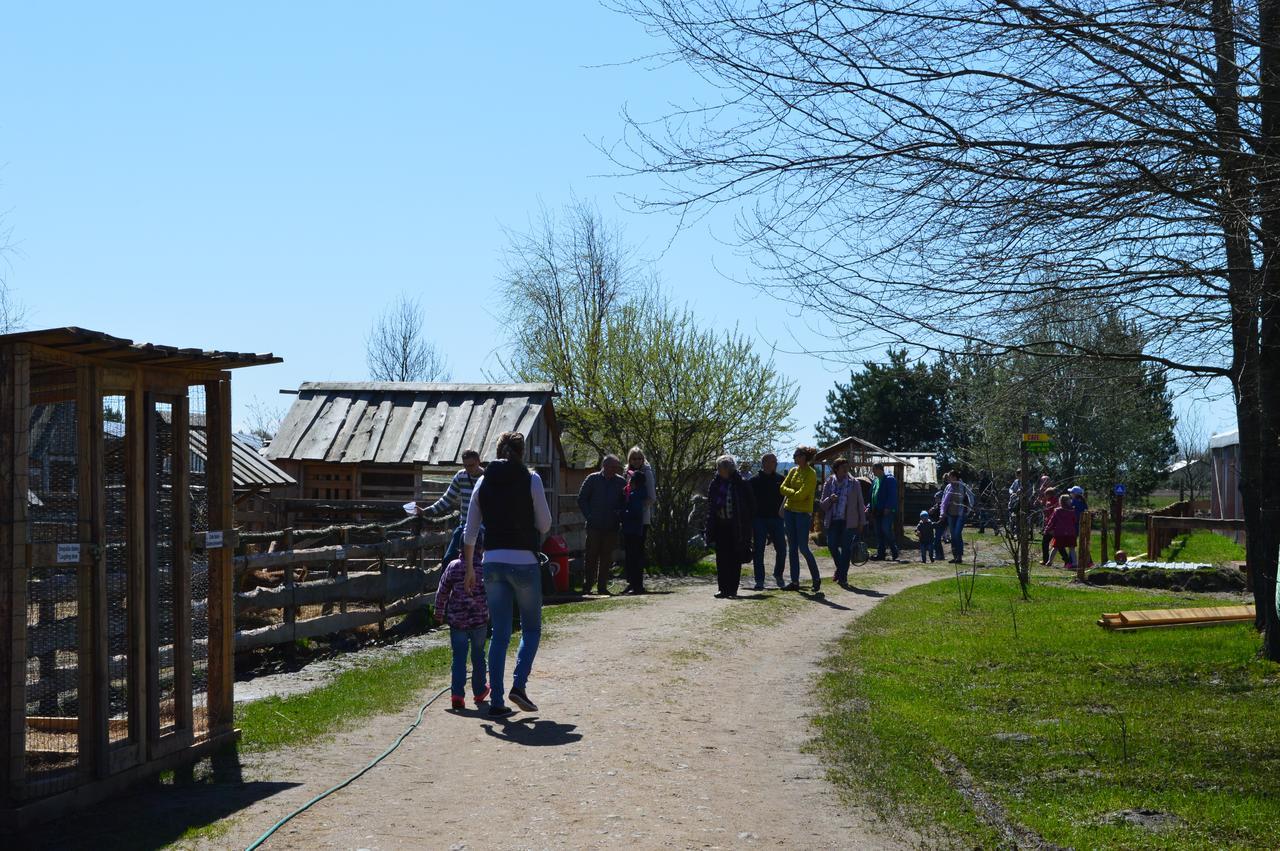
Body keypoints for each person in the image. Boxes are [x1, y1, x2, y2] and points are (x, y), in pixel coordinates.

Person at [462, 432, 552, 717]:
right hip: (524, 560)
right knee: (532, 628)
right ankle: (519, 685)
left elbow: (469, 531)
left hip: (492, 562)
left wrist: (468, 570)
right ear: (522, 452)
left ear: (497, 451)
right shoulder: (531, 479)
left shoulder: (482, 481)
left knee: (499, 633)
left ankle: (497, 701)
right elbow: (545, 523)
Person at [434, 540, 490, 711]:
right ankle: (479, 690)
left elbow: (442, 590)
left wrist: (438, 610)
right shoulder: (484, 568)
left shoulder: (453, 566)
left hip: (457, 620)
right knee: (478, 655)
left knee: (458, 657)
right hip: (479, 620)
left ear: (460, 548)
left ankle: (457, 695)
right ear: (481, 548)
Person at [417, 449, 483, 566]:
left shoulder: (487, 478)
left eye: (472, 465)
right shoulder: (461, 476)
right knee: (449, 559)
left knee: (480, 561)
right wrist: (427, 511)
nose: (469, 469)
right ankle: (446, 583)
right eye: (466, 466)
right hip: (465, 525)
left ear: (479, 462)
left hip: (483, 526)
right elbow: (447, 499)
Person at [704, 455, 756, 598]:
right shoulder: (715, 484)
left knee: (734, 558)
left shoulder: (742, 484)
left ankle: (732, 589)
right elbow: (711, 506)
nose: (718, 470)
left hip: (737, 526)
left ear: (729, 469)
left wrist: (748, 526)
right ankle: (722, 588)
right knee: (721, 558)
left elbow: (750, 506)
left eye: (721, 467)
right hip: (720, 525)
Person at [576, 455, 626, 594]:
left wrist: (619, 514)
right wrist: (589, 516)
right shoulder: (593, 479)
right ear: (604, 466)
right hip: (594, 526)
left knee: (606, 557)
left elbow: (624, 501)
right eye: (612, 467)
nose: (614, 470)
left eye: (616, 467)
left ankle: (602, 587)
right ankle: (588, 586)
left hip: (611, 526)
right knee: (591, 556)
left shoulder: (620, 482)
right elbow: (582, 499)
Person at [779, 446, 822, 592]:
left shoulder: (811, 474)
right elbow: (782, 488)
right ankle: (794, 581)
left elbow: (802, 495)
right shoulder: (793, 471)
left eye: (796, 455)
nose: (794, 458)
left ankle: (816, 578)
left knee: (803, 547)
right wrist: (793, 492)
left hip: (803, 514)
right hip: (789, 512)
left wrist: (792, 494)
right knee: (792, 548)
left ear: (804, 456)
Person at [820, 458, 866, 585]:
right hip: (833, 520)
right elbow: (822, 505)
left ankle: (843, 576)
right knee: (832, 545)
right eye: (843, 467)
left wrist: (862, 522)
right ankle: (840, 570)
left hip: (849, 521)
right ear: (836, 469)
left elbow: (860, 503)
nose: (846, 470)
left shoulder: (854, 483)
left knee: (846, 549)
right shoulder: (829, 482)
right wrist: (830, 499)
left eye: (847, 467)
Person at [749, 452, 787, 590]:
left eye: (776, 462)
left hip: (777, 519)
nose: (775, 464)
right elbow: (749, 501)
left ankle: (778, 575)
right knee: (759, 551)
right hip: (759, 519)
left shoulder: (781, 479)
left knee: (782, 549)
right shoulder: (753, 481)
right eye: (773, 461)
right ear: (765, 463)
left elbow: (786, 498)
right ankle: (759, 580)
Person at [624, 447, 657, 586]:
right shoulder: (627, 474)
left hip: (641, 519)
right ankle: (631, 582)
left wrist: (637, 507)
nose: (637, 461)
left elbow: (651, 497)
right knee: (629, 551)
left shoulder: (646, 473)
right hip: (628, 519)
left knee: (637, 551)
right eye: (634, 458)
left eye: (639, 458)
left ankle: (637, 584)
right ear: (629, 460)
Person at [620, 463, 651, 594]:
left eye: (630, 479)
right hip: (632, 529)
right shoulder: (634, 493)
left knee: (634, 557)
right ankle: (633, 584)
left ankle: (636, 585)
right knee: (632, 557)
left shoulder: (635, 495)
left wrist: (621, 513)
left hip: (633, 529)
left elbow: (635, 512)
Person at [940, 470, 974, 564]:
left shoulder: (963, 486)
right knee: (953, 535)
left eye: (950, 476)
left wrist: (969, 508)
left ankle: (959, 556)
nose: (948, 478)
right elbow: (943, 500)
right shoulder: (948, 487)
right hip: (951, 514)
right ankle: (955, 556)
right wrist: (943, 512)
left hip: (961, 514)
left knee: (956, 533)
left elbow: (971, 496)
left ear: (955, 477)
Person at [869, 463, 900, 561]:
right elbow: (872, 495)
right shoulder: (875, 481)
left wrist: (888, 507)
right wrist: (869, 506)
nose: (873, 472)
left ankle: (894, 551)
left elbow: (892, 495)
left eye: (874, 469)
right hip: (876, 510)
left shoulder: (890, 480)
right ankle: (881, 554)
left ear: (879, 469)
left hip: (887, 510)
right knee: (878, 532)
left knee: (886, 530)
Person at [1045, 493, 1079, 570]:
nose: (1070, 501)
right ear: (1065, 501)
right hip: (1069, 532)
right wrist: (1048, 529)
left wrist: (1047, 529)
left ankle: (1050, 562)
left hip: (1061, 532)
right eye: (1068, 500)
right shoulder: (1071, 511)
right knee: (1065, 548)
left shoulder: (1058, 511)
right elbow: (1075, 521)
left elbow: (1052, 521)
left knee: (1057, 547)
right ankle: (1074, 563)